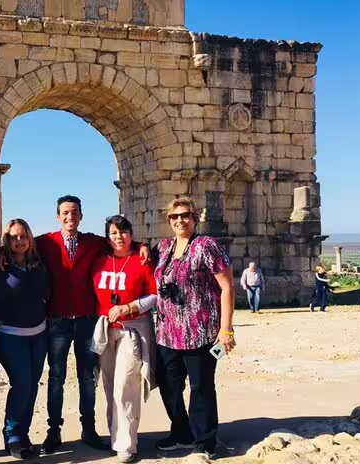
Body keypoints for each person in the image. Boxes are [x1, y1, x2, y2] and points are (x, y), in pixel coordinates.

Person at [34, 195, 150, 454]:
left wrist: (142, 244)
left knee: (88, 378)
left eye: (74, 212)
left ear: (81, 215)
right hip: (58, 321)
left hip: (87, 320)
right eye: (65, 213)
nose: (70, 217)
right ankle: (54, 431)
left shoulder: (93, 242)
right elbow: (16, 245)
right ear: (58, 216)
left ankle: (88, 429)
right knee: (56, 377)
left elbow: (120, 241)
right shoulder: (45, 242)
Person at [153, 198, 235, 459]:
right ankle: (181, 432)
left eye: (185, 215)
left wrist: (227, 330)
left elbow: (227, 286)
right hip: (167, 332)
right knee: (168, 386)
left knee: (201, 387)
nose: (180, 220)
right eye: (174, 217)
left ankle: (205, 439)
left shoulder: (207, 245)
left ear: (195, 218)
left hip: (200, 331)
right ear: (168, 220)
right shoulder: (163, 247)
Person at [90, 215, 158, 463]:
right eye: (114, 233)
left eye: (124, 232)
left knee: (125, 387)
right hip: (106, 328)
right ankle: (116, 436)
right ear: (108, 237)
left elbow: (155, 295)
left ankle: (127, 444)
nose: (119, 237)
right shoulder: (100, 259)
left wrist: (129, 307)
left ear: (131, 233)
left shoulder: (143, 260)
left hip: (133, 328)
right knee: (109, 387)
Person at [0, 218, 49, 459]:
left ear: (30, 238)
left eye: (23, 235)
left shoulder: (39, 263)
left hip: (39, 332)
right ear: (6, 239)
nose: (19, 240)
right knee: (22, 384)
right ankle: (13, 436)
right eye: (14, 236)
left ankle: (23, 435)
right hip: (10, 334)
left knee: (32, 386)